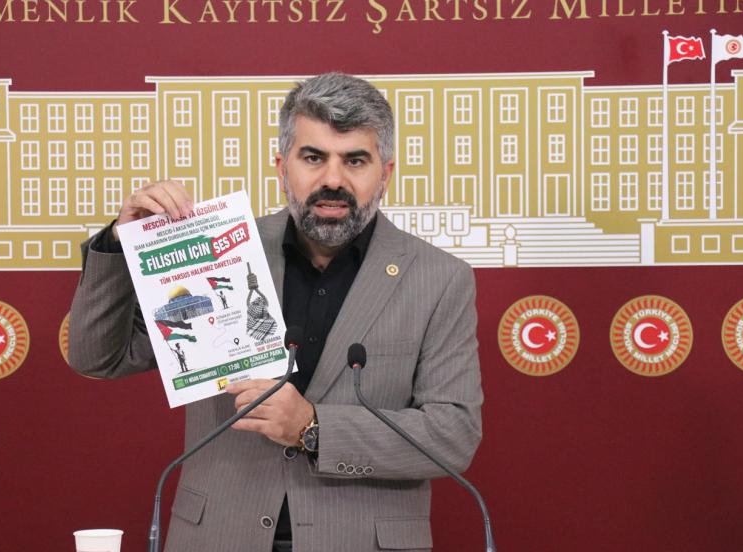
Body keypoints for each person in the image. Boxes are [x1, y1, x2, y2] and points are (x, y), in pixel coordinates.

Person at [69, 72, 483, 552]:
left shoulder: (440, 279)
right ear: (282, 167)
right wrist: (121, 244)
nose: (333, 180)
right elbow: (99, 357)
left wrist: (313, 427)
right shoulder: (217, 254)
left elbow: (452, 436)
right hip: (218, 538)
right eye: (313, 157)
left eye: (355, 160)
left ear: (385, 173)